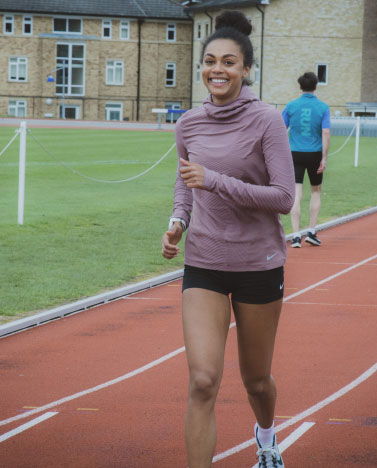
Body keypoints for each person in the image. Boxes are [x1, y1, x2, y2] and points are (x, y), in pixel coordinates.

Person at [161, 10, 294, 468]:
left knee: (256, 380)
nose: (217, 69)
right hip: (204, 261)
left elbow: (282, 197)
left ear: (246, 69)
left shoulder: (267, 121)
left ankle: (267, 437)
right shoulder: (189, 124)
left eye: (229, 62)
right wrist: (178, 219)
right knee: (201, 380)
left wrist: (214, 180)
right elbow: (185, 180)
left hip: (258, 262)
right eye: (210, 61)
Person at [282, 72, 330, 248]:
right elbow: (326, 132)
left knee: (296, 193)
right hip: (315, 154)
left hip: (294, 154)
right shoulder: (323, 107)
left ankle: (295, 235)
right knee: (316, 191)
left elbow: (280, 128)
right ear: (316, 87)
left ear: (300, 87)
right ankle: (311, 231)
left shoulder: (291, 106)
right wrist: (324, 157)